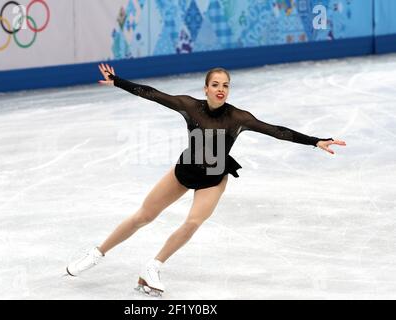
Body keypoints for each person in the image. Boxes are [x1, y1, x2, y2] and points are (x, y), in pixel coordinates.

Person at [66, 63, 346, 296]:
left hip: (213, 178)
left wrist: (315, 141)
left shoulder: (239, 117)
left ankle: (153, 266)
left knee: (193, 222)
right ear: (206, 88)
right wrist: (118, 82)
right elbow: (152, 94)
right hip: (185, 170)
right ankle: (97, 253)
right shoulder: (190, 106)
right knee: (144, 215)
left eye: (225, 85)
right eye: (216, 84)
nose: (221, 89)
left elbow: (276, 131)